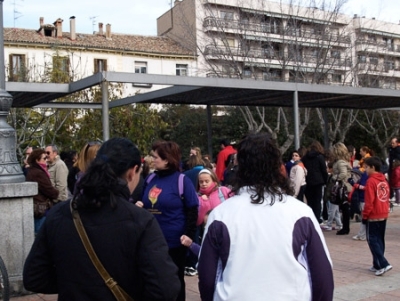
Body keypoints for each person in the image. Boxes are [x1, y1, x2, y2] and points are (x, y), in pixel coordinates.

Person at [23, 138, 180, 300]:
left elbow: (34, 277)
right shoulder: (141, 221)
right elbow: (165, 288)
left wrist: (73, 282)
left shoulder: (58, 215)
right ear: (132, 172)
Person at [197, 132, 334, 301]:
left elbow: (206, 277)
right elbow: (322, 275)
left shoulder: (220, 215)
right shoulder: (300, 212)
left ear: (240, 166)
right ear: (278, 165)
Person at [141, 140, 199, 301]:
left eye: (156, 157)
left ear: (166, 159)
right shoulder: (150, 178)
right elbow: (141, 199)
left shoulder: (182, 180)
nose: (152, 159)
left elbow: (193, 209)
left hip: (174, 243)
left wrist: (189, 234)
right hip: (150, 241)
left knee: (174, 281)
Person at [362, 156, 392, 276]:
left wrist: (365, 216)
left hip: (374, 214)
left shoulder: (371, 181)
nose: (365, 169)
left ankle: (383, 263)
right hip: (383, 212)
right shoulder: (384, 180)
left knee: (372, 240)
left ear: (372, 167)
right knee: (380, 239)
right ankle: (377, 264)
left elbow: (369, 201)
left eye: (367, 167)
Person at [25, 149, 59, 234]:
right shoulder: (38, 173)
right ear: (37, 160)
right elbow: (48, 189)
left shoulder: (34, 171)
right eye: (44, 158)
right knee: (42, 235)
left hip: (40, 208)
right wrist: (56, 193)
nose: (46, 160)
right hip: (41, 209)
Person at [302, 140, 328, 223]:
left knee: (310, 201)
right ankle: (317, 219)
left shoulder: (305, 157)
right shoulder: (320, 157)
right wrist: (325, 180)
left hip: (308, 181)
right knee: (317, 201)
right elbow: (323, 170)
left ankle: (311, 218)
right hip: (318, 181)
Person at [330, 142, 353, 235]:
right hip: (345, 186)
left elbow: (343, 174)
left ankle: (345, 227)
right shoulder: (344, 161)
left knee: (344, 208)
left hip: (343, 186)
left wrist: (334, 177)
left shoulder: (340, 162)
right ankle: (345, 227)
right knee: (344, 208)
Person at [321, 162, 343, 231]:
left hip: (333, 196)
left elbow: (330, 187)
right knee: (336, 211)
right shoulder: (331, 176)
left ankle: (329, 224)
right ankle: (339, 224)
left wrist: (329, 195)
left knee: (331, 211)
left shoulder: (333, 177)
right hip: (333, 195)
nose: (326, 169)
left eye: (328, 167)